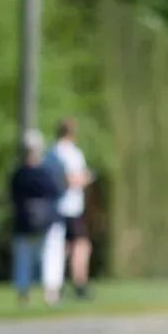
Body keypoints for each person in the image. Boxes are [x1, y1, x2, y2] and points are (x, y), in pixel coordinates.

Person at [10, 129, 66, 306]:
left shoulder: (19, 174)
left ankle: (24, 294)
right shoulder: (49, 172)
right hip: (48, 220)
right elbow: (59, 192)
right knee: (51, 256)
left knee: (24, 258)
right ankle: (51, 293)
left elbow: (13, 197)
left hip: (24, 221)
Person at [44, 117, 95, 298]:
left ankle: (59, 281)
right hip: (70, 205)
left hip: (55, 206)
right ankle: (79, 283)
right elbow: (72, 178)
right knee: (81, 245)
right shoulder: (71, 153)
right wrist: (87, 177)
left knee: (62, 247)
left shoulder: (50, 152)